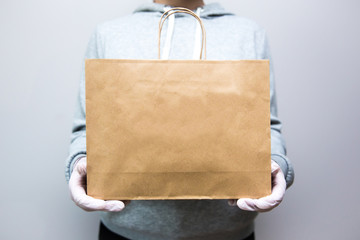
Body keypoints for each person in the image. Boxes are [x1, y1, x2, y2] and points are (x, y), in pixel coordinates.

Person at [65, 0, 295, 239]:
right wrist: (79, 165)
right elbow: (88, 128)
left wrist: (277, 167)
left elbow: (266, 126)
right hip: (126, 230)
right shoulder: (108, 34)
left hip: (228, 232)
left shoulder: (248, 33)